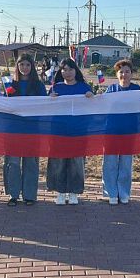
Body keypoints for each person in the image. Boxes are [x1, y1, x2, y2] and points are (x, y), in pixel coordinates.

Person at [47, 58, 93, 205]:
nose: (67, 72)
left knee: (77, 163)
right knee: (58, 162)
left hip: (79, 131)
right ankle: (60, 192)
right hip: (59, 131)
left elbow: (93, 106)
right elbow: (46, 107)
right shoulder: (56, 88)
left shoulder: (84, 87)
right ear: (60, 71)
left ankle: (74, 192)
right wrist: (49, 99)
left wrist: (91, 97)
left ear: (76, 70)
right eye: (64, 69)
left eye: (70, 69)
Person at [4, 54, 47, 206]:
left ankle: (29, 195)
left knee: (31, 162)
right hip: (13, 129)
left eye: (28, 64)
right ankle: (13, 194)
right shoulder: (10, 84)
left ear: (32, 66)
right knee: (13, 162)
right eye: (21, 64)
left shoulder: (38, 85)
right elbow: (3, 103)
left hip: (32, 129)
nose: (24, 68)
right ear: (17, 66)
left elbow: (45, 104)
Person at [101, 59, 140, 205]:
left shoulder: (136, 89)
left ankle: (124, 192)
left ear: (132, 73)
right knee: (110, 163)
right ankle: (111, 193)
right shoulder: (111, 89)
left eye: (127, 71)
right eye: (121, 72)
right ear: (116, 74)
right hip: (111, 131)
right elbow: (102, 105)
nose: (124, 74)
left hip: (129, 132)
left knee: (126, 163)